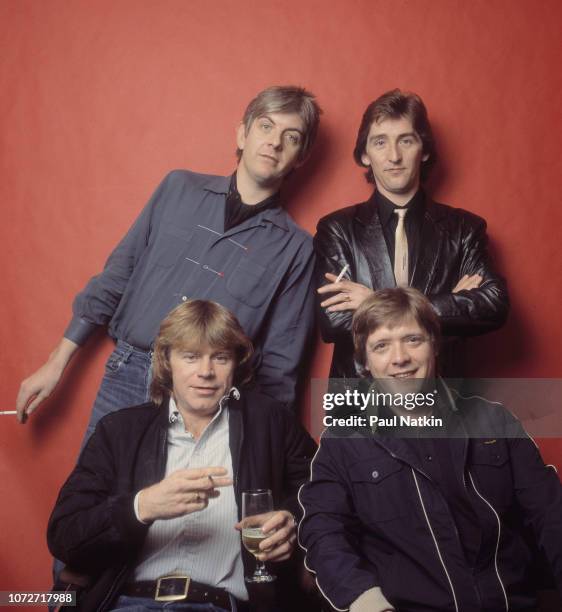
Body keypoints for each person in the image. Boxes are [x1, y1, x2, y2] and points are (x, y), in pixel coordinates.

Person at [17, 85, 321, 431]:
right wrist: (56, 363)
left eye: (291, 136)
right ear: (242, 133)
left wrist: (262, 444)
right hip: (128, 376)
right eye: (265, 126)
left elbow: (281, 364)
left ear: (301, 156)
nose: (274, 142)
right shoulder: (178, 188)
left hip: (209, 402)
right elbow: (116, 276)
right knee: (95, 487)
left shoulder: (296, 248)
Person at [299, 288, 562, 612]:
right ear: (364, 362)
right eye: (381, 346)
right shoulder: (342, 442)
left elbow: (551, 512)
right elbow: (323, 531)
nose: (399, 358)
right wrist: (365, 600)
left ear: (435, 344)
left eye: (413, 339)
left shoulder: (495, 421)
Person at [48, 299, 318, 612]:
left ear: (236, 363)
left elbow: (321, 492)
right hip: (129, 603)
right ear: (167, 360)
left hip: (223, 605)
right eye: (190, 357)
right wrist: (142, 506)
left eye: (220, 357)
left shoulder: (270, 421)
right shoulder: (120, 431)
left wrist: (291, 520)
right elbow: (65, 536)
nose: (206, 372)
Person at [314, 89, 508, 379]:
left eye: (406, 140)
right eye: (380, 142)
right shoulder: (337, 229)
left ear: (425, 150)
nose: (394, 156)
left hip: (441, 400)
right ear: (365, 155)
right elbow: (334, 320)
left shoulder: (464, 229)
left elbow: (492, 304)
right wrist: (447, 306)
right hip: (361, 404)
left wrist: (372, 300)